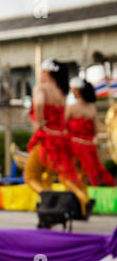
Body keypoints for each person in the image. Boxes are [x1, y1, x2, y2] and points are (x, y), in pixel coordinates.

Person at [25, 59, 95, 218]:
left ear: (47, 72)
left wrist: (40, 122)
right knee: (51, 176)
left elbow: (39, 104)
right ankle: (48, 213)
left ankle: (52, 199)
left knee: (31, 176)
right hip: (63, 139)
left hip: (46, 138)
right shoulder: (61, 92)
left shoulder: (41, 88)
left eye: (42, 71)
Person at [66, 77, 115, 187]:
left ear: (77, 90)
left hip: (74, 147)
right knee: (94, 171)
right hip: (90, 146)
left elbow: (63, 128)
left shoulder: (71, 108)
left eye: (73, 90)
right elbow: (96, 130)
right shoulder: (91, 108)